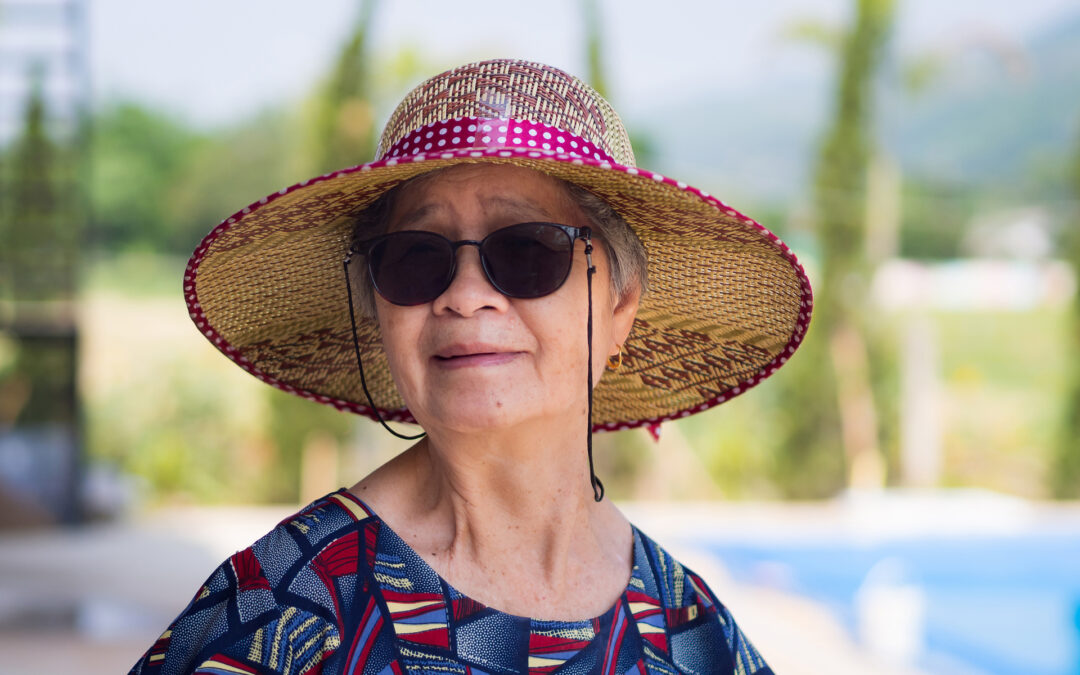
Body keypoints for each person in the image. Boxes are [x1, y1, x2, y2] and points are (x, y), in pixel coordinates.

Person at [131, 59, 811, 674]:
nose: (463, 295)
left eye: (527, 250)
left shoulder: (686, 626)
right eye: (417, 256)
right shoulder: (290, 606)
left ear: (619, 306)